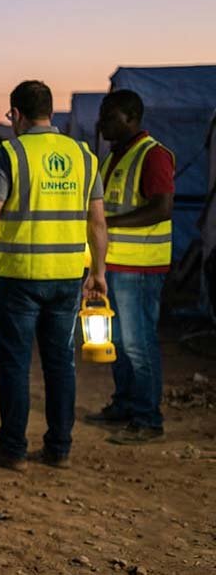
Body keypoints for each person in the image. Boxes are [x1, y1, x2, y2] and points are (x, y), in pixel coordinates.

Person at [0, 80, 107, 471]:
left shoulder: (9, 153)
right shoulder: (84, 156)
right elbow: (98, 223)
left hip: (18, 277)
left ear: (16, 114)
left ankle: (12, 448)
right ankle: (59, 448)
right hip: (67, 276)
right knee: (60, 365)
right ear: (50, 112)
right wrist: (98, 272)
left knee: (14, 365)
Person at [85, 89, 174, 445]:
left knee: (139, 344)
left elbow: (162, 208)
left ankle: (148, 419)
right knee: (118, 341)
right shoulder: (112, 157)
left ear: (131, 118)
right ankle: (124, 404)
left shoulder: (153, 155)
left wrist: (109, 224)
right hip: (113, 265)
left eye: (109, 117)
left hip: (140, 269)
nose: (101, 123)